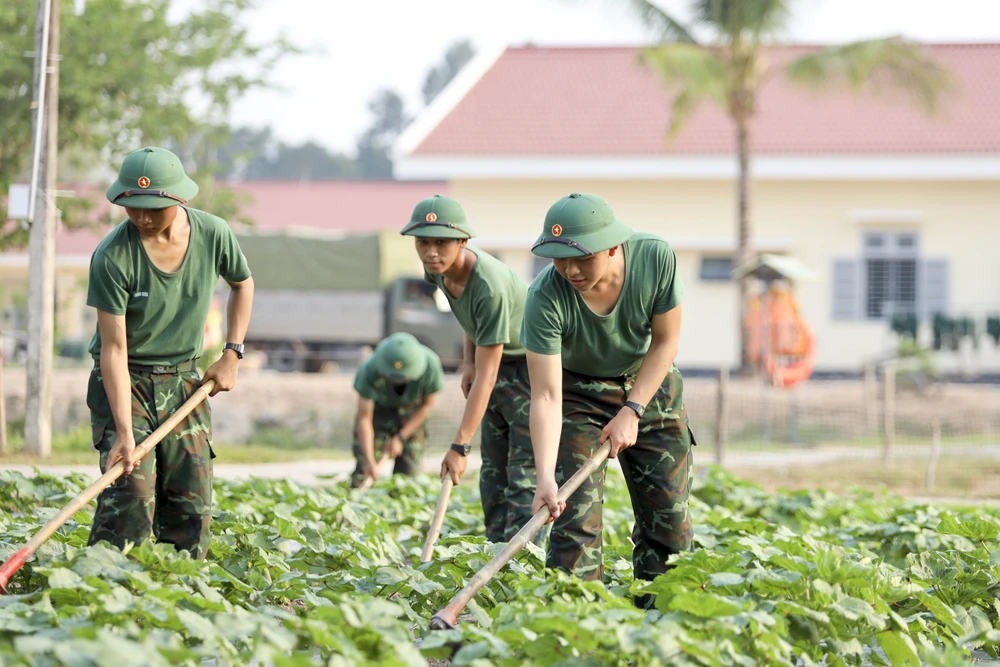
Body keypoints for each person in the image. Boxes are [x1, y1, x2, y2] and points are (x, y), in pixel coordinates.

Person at [520, 192, 695, 607]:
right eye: (559, 258)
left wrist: (632, 409)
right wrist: (545, 475)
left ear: (613, 245)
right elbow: (546, 394)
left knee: (668, 522)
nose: (570, 270)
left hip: (649, 386)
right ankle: (579, 631)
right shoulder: (544, 296)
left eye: (581, 258)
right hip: (578, 394)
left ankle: (664, 627)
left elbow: (666, 342)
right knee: (574, 520)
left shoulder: (654, 259)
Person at [86, 146, 254, 559]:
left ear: (179, 199)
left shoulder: (213, 233)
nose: (142, 217)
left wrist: (232, 352)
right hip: (128, 379)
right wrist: (124, 434)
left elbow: (242, 283)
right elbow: (113, 350)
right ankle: (104, 590)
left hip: (184, 379)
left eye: (153, 209)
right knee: (132, 492)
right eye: (133, 207)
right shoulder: (112, 257)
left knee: (191, 500)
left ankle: (178, 595)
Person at [400, 195, 543, 546]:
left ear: (463, 241)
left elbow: (489, 375)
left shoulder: (489, 286)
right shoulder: (437, 271)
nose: (431, 252)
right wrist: (468, 359)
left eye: (442, 242)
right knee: (493, 474)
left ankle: (522, 563)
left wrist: (459, 446)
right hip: (492, 359)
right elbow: (466, 314)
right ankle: (495, 553)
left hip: (529, 368)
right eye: (423, 242)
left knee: (522, 474)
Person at [350, 332, 443, 488]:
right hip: (379, 413)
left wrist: (400, 437)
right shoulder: (369, 369)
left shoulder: (431, 365)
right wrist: (369, 461)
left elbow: (426, 406)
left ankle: (400, 507)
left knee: (408, 477)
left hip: (412, 415)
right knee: (364, 471)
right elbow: (364, 418)